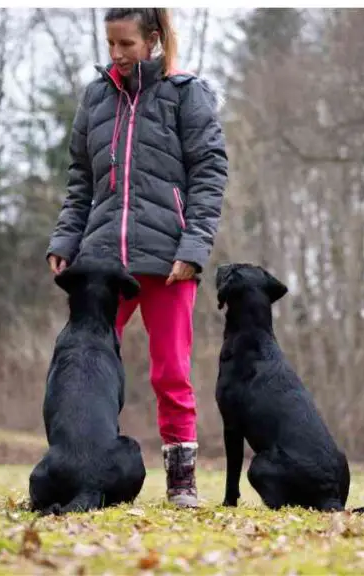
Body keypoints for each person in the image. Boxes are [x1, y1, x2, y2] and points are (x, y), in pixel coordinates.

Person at [45, 7, 227, 508]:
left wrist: (193, 249)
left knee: (171, 372)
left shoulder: (186, 94)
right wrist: (65, 240)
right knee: (82, 367)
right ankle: (83, 464)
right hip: (102, 262)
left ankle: (181, 478)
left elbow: (209, 177)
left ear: (153, 39)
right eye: (111, 45)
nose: (118, 55)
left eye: (126, 44)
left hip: (170, 262)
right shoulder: (96, 97)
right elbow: (81, 180)